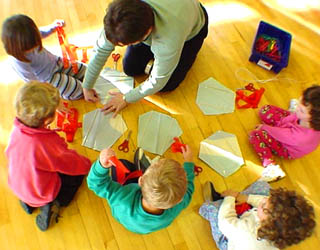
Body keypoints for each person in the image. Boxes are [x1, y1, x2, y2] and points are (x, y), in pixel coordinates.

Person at [82, 0, 208, 116]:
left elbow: (158, 81)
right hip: (158, 25)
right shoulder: (121, 14)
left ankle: (172, 60)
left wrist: (126, 98)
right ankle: (161, 62)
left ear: (147, 32)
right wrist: (87, 86)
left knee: (168, 85)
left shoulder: (168, 40)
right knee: (130, 68)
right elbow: (100, 50)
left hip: (192, 32)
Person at [5, 81, 91, 231]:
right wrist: (87, 164)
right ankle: (53, 206)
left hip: (17, 186)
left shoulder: (16, 129)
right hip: (42, 193)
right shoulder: (45, 145)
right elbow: (70, 163)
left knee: (34, 175)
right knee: (75, 178)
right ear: (47, 120)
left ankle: (28, 203)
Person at [87, 146, 195, 234]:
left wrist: (101, 166)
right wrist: (189, 163)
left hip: (125, 213)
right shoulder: (176, 207)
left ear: (141, 180)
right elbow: (189, 190)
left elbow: (97, 184)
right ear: (179, 200)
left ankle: (141, 170)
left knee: (122, 163)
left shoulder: (120, 198)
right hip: (143, 228)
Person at [199, 181, 316, 250]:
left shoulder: (247, 232)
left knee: (214, 210)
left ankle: (214, 202)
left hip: (231, 239)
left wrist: (230, 198)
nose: (264, 199)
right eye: (269, 199)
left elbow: (225, 222)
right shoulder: (278, 231)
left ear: (267, 222)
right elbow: (265, 202)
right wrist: (246, 198)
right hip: (249, 222)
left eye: (264, 205)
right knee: (263, 186)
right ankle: (238, 202)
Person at [1, 14, 86, 100]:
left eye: (36, 41)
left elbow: (41, 32)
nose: (35, 47)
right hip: (48, 79)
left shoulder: (30, 36)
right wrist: (49, 94)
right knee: (80, 91)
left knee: (86, 71)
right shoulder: (18, 62)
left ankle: (66, 85)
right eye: (29, 48)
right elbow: (32, 82)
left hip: (57, 62)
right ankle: (62, 92)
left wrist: (53, 27)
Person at [249, 85, 320, 182]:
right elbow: (290, 118)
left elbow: (279, 133)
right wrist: (285, 120)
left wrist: (265, 127)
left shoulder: (302, 137)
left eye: (301, 110)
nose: (298, 108)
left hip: (287, 147)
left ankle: (271, 167)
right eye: (299, 102)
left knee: (256, 134)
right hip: (288, 128)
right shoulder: (306, 117)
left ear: (314, 118)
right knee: (265, 110)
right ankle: (290, 114)